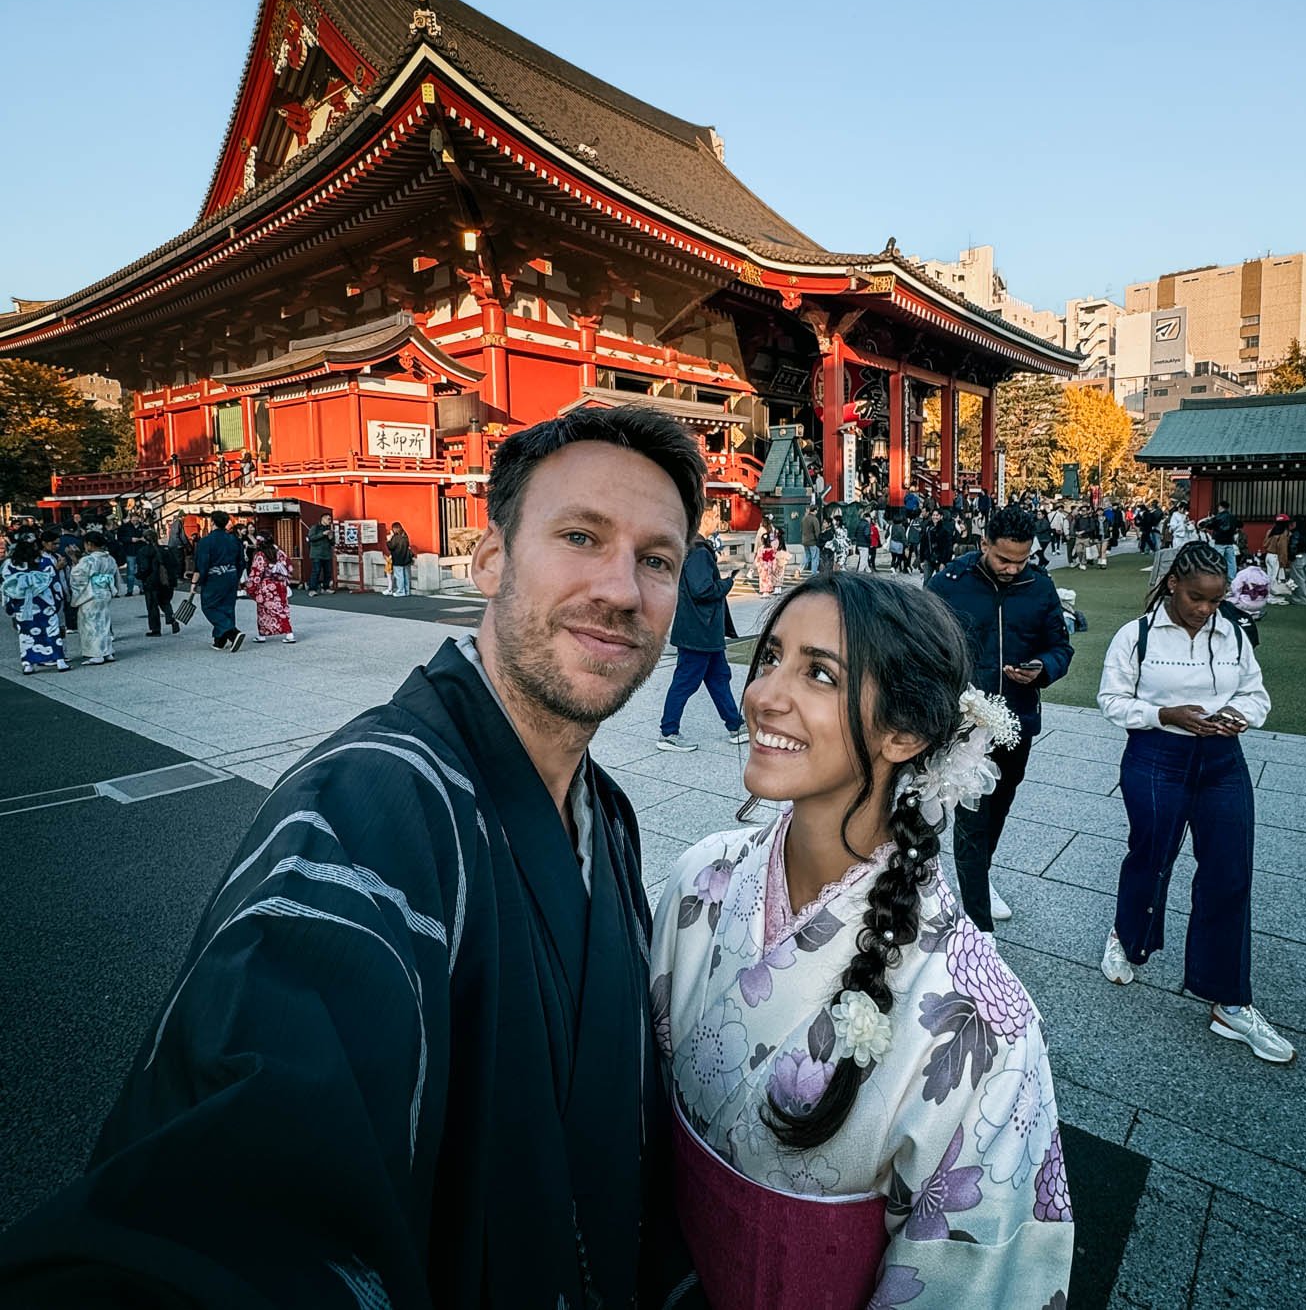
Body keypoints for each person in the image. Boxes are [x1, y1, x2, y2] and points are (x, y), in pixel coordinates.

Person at [0, 405, 706, 1308]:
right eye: (579, 536)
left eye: (657, 560)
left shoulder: (605, 815)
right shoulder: (373, 802)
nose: (621, 589)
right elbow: (252, 1178)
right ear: (489, 559)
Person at [652, 573, 1074, 1307]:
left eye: (818, 673)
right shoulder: (701, 881)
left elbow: (969, 1283)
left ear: (903, 733)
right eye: (770, 657)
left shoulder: (980, 1020)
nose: (763, 695)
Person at [1096, 541, 1293, 1064]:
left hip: (1223, 760)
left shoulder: (1232, 631)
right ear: (1172, 587)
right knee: (1151, 857)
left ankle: (1228, 998)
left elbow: (1257, 693)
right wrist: (1165, 715)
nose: (1208, 610)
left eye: (1216, 599)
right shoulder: (1134, 635)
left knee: (1229, 873)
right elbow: (1112, 700)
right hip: (1156, 756)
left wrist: (1239, 716)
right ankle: (1127, 936)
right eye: (1198, 599)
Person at [928, 503, 1073, 928]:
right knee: (973, 817)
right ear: (983, 544)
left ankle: (978, 879)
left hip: (1017, 719)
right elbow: (921, 641)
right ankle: (977, 927)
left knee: (999, 804)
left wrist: (1042, 668)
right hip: (964, 722)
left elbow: (1060, 647)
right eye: (1003, 559)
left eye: (1021, 559)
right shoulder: (949, 582)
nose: (1012, 568)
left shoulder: (1040, 586)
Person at [657, 504, 750, 753]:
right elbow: (702, 590)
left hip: (703, 631)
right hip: (700, 631)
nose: (718, 521)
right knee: (686, 681)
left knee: (719, 678)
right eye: (715, 516)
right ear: (705, 519)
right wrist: (728, 583)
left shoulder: (693, 549)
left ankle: (735, 725)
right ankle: (668, 732)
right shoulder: (698, 552)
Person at [2, 534, 70, 675]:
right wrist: (58, 601)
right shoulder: (44, 561)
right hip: (45, 602)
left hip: (23, 606)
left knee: (26, 634)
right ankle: (59, 661)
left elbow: (6, 587)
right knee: (52, 631)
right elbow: (54, 582)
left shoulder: (10, 565)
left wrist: (10, 606)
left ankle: (28, 663)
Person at [188, 510, 246, 651]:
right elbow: (241, 561)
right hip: (231, 575)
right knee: (227, 606)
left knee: (210, 606)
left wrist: (195, 582)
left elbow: (201, 563)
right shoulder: (234, 540)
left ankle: (232, 633)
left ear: (212, 522)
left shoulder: (206, 541)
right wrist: (237, 577)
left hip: (214, 577)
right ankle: (219, 640)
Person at [71, 531, 121, 665]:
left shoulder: (89, 560)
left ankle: (97, 653)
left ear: (89, 544)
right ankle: (108, 651)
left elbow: (77, 576)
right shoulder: (109, 558)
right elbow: (115, 576)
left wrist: (75, 563)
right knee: (104, 622)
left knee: (91, 624)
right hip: (105, 592)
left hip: (91, 593)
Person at [246, 534, 296, 644]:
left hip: (266, 586)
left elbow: (256, 572)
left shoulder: (260, 555)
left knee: (263, 611)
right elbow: (289, 567)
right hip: (280, 585)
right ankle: (289, 633)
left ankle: (262, 635)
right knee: (282, 609)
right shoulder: (279, 553)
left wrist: (250, 588)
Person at [136, 529, 181, 638]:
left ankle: (155, 629)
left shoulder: (144, 551)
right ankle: (171, 618)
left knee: (152, 606)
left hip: (152, 581)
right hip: (167, 581)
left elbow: (145, 568)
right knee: (165, 602)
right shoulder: (166, 549)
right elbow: (175, 564)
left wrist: (140, 576)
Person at [1287, 516, 1306, 606]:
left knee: (1298, 579)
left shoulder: (1296, 533)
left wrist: (1291, 557)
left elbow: (1293, 546)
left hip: (1298, 557)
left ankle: (1300, 599)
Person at [1204, 501, 1238, 579]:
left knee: (1217, 561)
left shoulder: (1218, 517)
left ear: (1220, 507)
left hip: (1219, 542)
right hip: (1229, 542)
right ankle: (1232, 579)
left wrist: (1210, 520)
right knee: (1231, 562)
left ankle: (1216, 578)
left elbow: (1209, 525)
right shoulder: (1232, 517)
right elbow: (1239, 524)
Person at [1263, 514, 1291, 595]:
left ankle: (1267, 594)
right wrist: (1284, 561)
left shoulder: (1270, 531)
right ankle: (1272, 595)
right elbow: (1283, 549)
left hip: (1268, 555)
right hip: (1276, 556)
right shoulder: (1284, 534)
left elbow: (1264, 544)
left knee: (1269, 576)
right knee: (1274, 577)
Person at [306, 516, 335, 595]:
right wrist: (322, 534)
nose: (330, 521)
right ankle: (312, 589)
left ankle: (326, 587)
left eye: (330, 519)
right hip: (316, 554)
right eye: (328, 519)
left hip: (327, 554)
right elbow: (311, 538)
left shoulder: (330, 529)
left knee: (328, 572)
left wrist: (331, 538)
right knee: (316, 571)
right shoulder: (315, 527)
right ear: (323, 519)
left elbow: (333, 543)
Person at [387, 522, 414, 597]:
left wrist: (389, 540)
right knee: (406, 576)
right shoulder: (405, 536)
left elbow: (391, 547)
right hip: (406, 559)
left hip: (398, 559)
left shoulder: (395, 538)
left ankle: (400, 591)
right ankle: (407, 591)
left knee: (399, 576)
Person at [799, 503, 821, 576]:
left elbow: (801, 529)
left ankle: (799, 569)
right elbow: (817, 531)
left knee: (807, 556)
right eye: (816, 511)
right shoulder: (814, 519)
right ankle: (814, 574)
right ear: (814, 511)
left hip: (804, 540)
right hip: (813, 542)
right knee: (814, 558)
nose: (817, 512)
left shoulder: (804, 518)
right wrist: (819, 540)